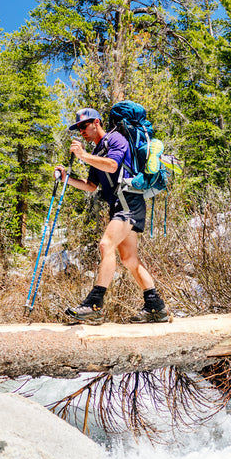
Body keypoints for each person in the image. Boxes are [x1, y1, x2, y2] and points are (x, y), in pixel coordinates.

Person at [55, 107, 169, 324]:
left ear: (96, 122)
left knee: (106, 245)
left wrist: (83, 155)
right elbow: (91, 186)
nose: (81, 131)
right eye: (78, 128)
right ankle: (156, 306)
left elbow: (114, 164)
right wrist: (66, 178)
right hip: (119, 206)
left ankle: (94, 305)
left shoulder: (115, 139)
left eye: (83, 125)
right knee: (129, 258)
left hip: (129, 201)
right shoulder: (97, 152)